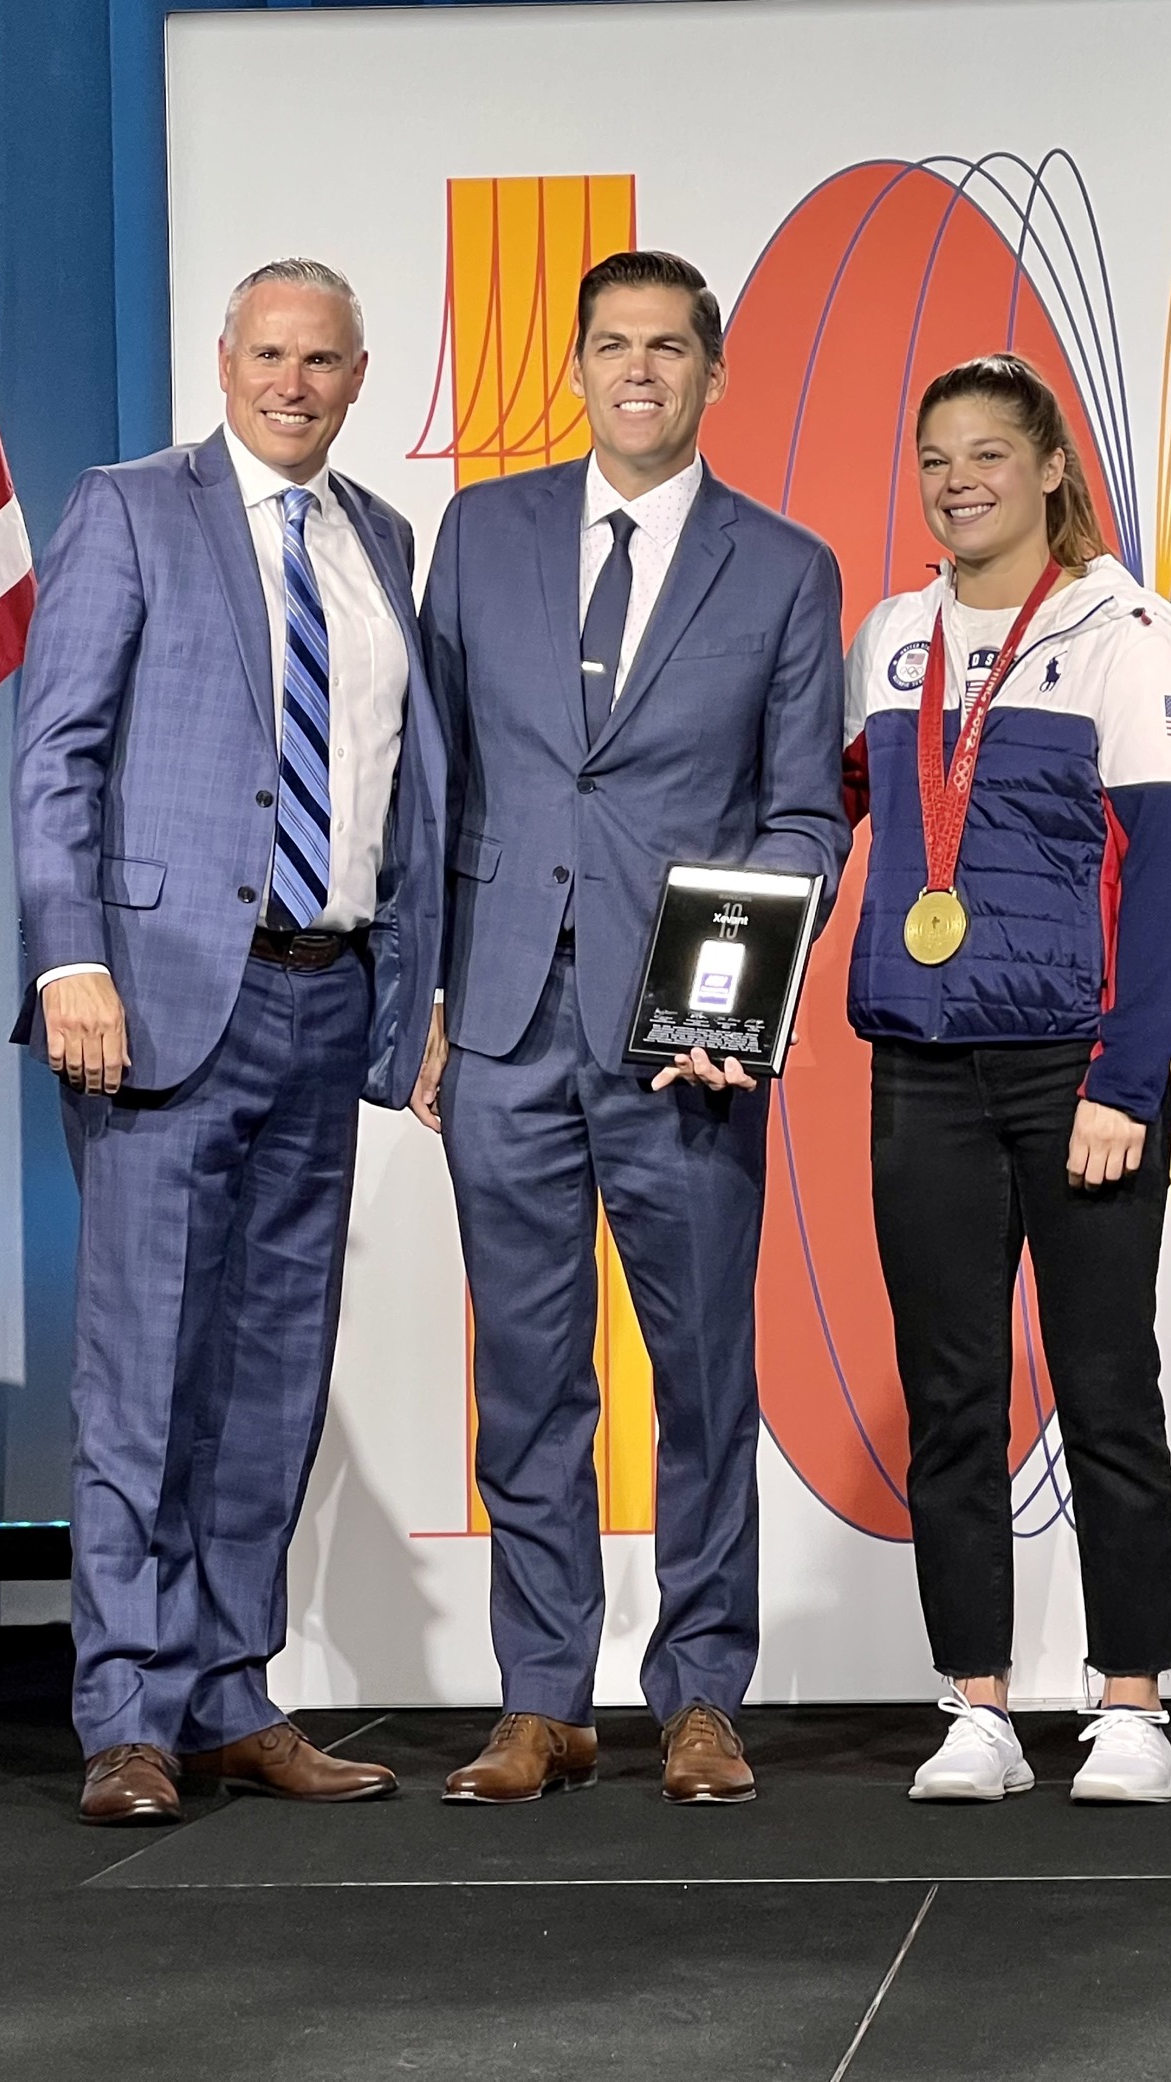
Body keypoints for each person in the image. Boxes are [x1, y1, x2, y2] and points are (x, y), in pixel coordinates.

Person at [13, 260, 446, 1825]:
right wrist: (70, 954)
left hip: (326, 1001)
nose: (294, 381)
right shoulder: (130, 508)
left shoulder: (381, 541)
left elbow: (412, 789)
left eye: (322, 359)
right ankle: (124, 1712)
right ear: (224, 358)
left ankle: (226, 1692)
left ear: (359, 372)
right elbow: (55, 746)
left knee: (274, 1372)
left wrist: (421, 997)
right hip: (156, 1002)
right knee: (146, 1375)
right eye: (270, 353)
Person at [414, 250, 849, 1806]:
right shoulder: (481, 532)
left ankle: (700, 1694)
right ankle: (543, 1699)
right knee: (527, 1374)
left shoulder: (789, 569)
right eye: (613, 346)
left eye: (670, 348)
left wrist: (729, 998)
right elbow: (430, 787)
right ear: (579, 367)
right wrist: (426, 1003)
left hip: (686, 1048)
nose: (641, 372)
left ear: (712, 374)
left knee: (701, 1373)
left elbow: (804, 814)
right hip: (506, 1022)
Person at [842, 355, 1171, 1804]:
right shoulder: (892, 635)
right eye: (935, 456)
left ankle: (1132, 1702)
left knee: (1111, 1387)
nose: (957, 480)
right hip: (923, 1070)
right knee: (953, 1397)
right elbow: (851, 807)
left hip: (1078, 1072)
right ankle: (977, 1704)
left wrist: (1127, 1079)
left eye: (988, 452)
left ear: (1052, 467)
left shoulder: (1130, 634)